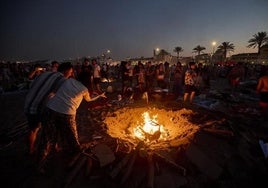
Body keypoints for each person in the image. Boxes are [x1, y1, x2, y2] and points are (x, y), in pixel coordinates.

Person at [37, 76, 106, 173]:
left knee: (47, 137)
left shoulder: (69, 80)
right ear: (88, 81)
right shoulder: (84, 89)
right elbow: (89, 99)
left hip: (51, 108)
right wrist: (99, 96)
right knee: (72, 137)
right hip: (67, 113)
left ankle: (40, 164)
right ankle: (73, 152)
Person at [24, 62, 74, 155]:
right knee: (52, 129)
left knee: (33, 130)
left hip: (29, 104)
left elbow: (32, 86)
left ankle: (30, 150)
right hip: (42, 108)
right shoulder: (62, 80)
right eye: (70, 72)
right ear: (66, 71)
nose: (71, 74)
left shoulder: (44, 74)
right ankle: (54, 148)